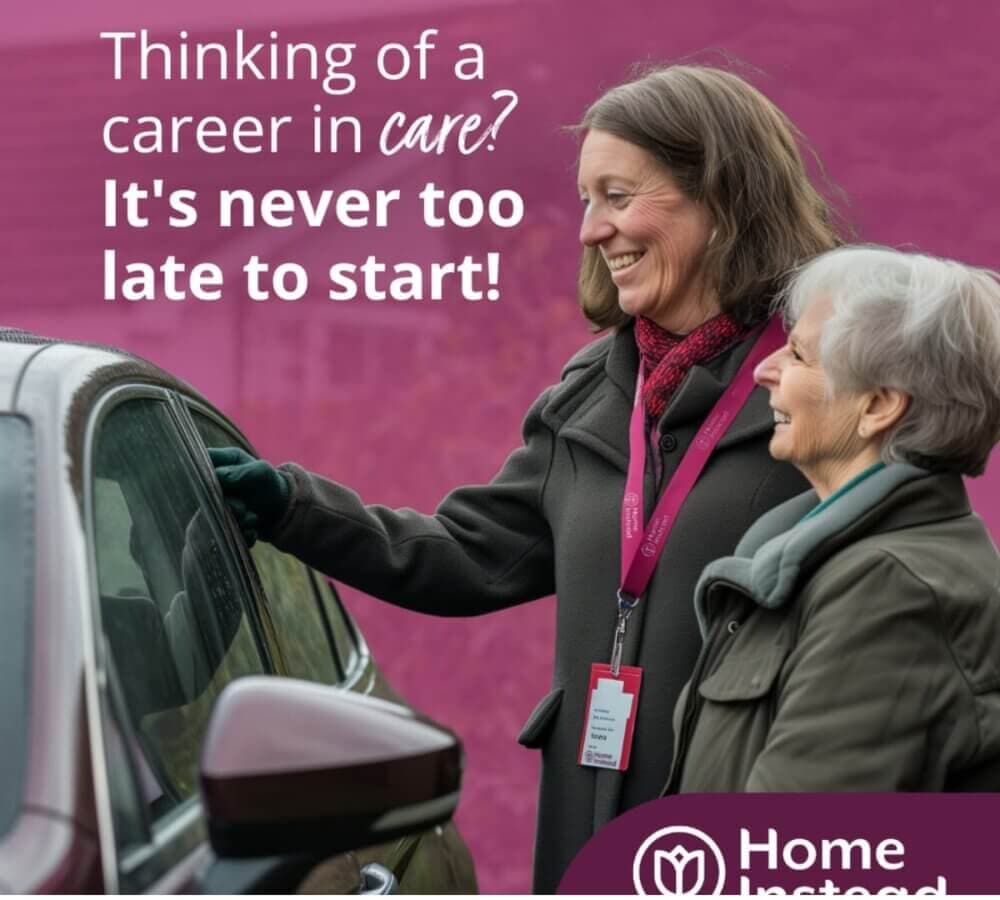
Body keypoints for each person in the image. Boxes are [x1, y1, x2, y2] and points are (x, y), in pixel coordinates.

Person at [209, 64, 843, 891]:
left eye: (618, 196)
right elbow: (466, 556)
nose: (590, 230)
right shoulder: (589, 394)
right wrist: (294, 506)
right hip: (588, 839)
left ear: (719, 199)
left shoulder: (824, 388)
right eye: (587, 200)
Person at [665, 245, 1000, 794]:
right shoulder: (825, 565)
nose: (765, 371)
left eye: (797, 355)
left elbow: (793, 855)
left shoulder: (890, 588)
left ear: (877, 407)